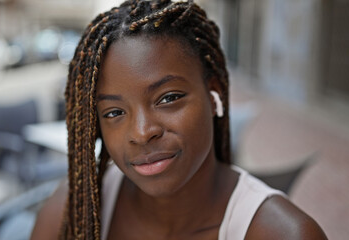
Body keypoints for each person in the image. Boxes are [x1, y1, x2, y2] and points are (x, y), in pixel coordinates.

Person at [31, 0, 327, 239]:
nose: (142, 132)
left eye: (168, 98)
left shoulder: (283, 233)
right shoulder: (73, 212)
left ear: (215, 95)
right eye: (114, 113)